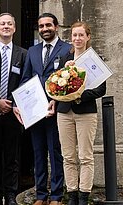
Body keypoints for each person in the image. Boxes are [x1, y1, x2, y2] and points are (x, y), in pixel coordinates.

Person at [14, 13, 71, 205]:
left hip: (57, 110)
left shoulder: (67, 49)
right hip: (35, 111)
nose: (45, 29)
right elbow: (25, 79)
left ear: (56, 27)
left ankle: (56, 195)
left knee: (55, 153)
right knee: (38, 153)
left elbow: (69, 80)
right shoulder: (32, 51)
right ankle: (41, 195)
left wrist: (56, 99)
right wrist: (19, 104)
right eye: (41, 26)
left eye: (48, 25)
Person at [56, 21, 106, 205]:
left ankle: (84, 195)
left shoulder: (94, 60)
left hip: (85, 112)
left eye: (81, 35)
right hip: (64, 113)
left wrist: (79, 96)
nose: (77, 38)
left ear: (88, 37)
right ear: (71, 38)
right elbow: (58, 85)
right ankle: (72, 195)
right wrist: (66, 71)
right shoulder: (64, 58)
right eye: (74, 35)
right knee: (68, 156)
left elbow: (101, 90)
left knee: (85, 156)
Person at [0, 13, 27, 205]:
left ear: (14, 28)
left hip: (13, 112)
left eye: (10, 24)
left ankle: (11, 194)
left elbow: (25, 81)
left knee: (12, 156)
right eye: (3, 24)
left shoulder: (23, 54)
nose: (6, 26)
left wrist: (11, 103)